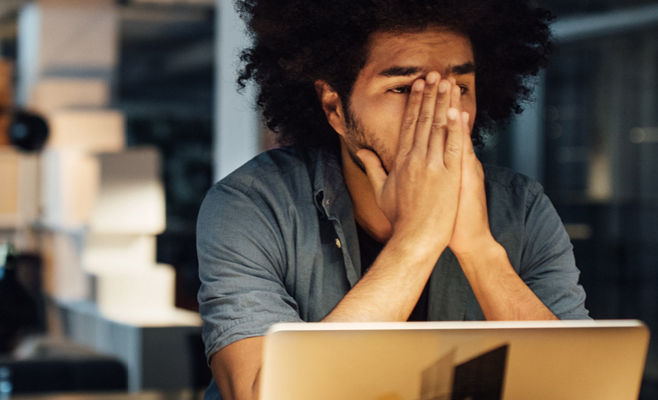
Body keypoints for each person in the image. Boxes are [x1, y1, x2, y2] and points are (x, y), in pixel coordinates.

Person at [197, 1, 587, 399]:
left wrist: (481, 252)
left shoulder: (522, 208)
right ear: (334, 107)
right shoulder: (249, 205)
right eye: (403, 89)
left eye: (460, 88)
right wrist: (416, 240)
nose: (441, 114)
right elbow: (261, 394)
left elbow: (585, 389)